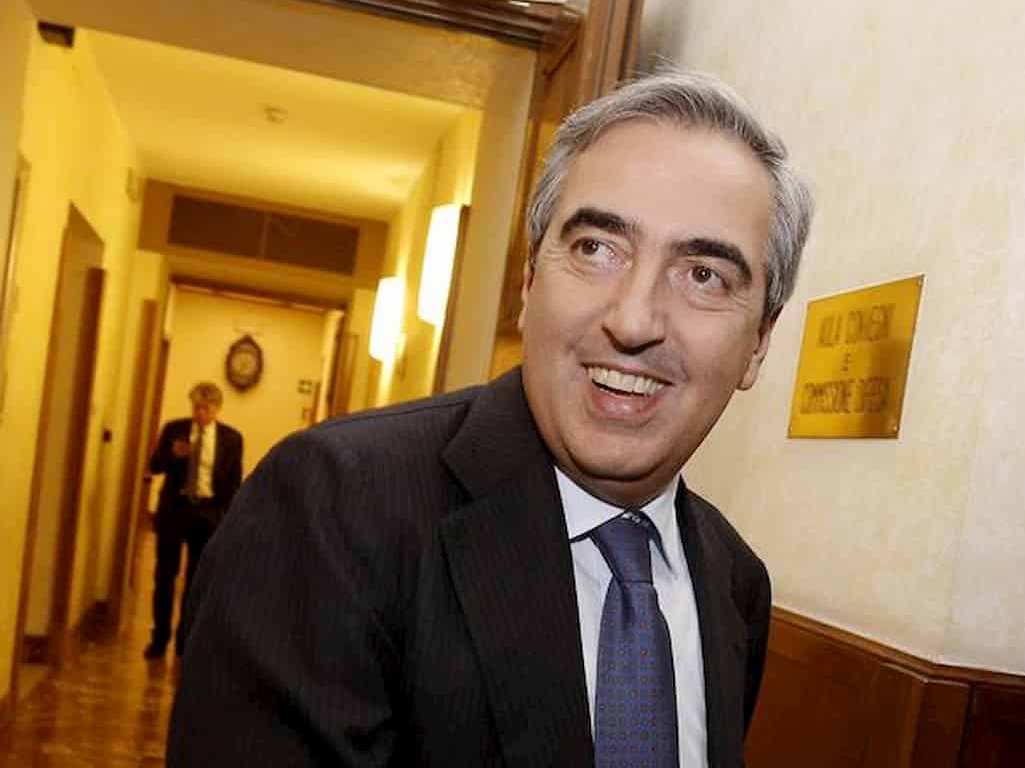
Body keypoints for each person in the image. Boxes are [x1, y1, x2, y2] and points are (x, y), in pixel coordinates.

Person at [167, 68, 813, 767]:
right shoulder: (334, 508)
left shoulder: (735, 586)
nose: (633, 320)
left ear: (759, 342)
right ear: (530, 282)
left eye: (703, 275)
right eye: (597, 249)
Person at [144, 380, 243, 659]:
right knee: (165, 576)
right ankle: (159, 637)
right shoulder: (174, 429)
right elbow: (154, 466)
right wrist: (172, 454)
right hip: (174, 510)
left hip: (207, 514)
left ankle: (185, 640)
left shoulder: (231, 439)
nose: (200, 413)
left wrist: (224, 516)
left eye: (206, 408)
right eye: (196, 407)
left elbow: (234, 481)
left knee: (196, 580)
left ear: (217, 409)